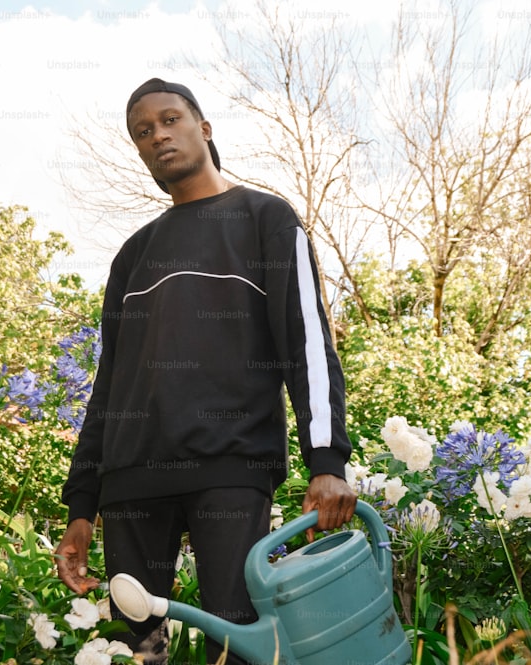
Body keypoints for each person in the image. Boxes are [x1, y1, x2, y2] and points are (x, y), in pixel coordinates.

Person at [55, 78, 357, 665]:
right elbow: (109, 386)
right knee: (134, 651)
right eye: (143, 132)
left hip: (231, 467)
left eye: (170, 120)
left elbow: (308, 344)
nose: (158, 136)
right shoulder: (133, 254)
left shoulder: (265, 219)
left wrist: (327, 460)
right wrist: (81, 506)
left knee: (239, 641)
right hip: (131, 481)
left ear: (204, 128)